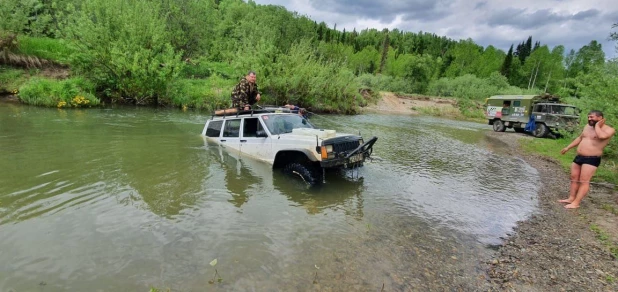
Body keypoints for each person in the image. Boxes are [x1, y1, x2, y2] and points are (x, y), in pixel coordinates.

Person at [559, 110, 615, 209]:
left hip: (592, 158)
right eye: (588, 117)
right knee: (573, 177)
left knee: (584, 180)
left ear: (600, 118)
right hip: (579, 156)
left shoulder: (609, 130)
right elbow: (580, 138)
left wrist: (597, 126)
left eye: (592, 117)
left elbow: (601, 136)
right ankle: (571, 198)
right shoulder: (587, 126)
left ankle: (576, 203)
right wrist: (568, 147)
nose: (589, 119)